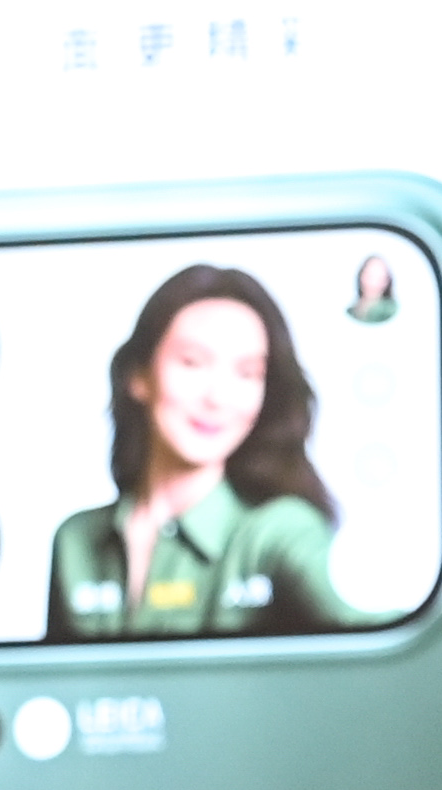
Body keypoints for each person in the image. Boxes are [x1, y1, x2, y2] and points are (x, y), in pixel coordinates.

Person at [49, 259, 356, 638]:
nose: (218, 397)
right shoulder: (75, 539)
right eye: (192, 362)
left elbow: (388, 639)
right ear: (138, 376)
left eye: (248, 373)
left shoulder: (281, 532)